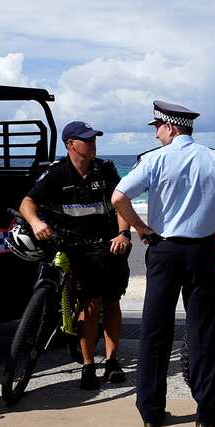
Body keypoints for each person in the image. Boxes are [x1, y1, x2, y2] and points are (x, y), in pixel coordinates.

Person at [110, 101, 215, 427]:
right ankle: (209, 410)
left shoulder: (154, 160)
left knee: (155, 330)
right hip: (203, 250)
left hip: (163, 250)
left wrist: (140, 228)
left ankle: (150, 409)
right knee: (203, 331)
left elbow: (118, 197)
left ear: (171, 127)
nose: (158, 133)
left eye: (158, 128)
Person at [19, 120, 132, 389]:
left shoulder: (105, 170)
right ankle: (88, 364)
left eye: (94, 139)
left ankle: (112, 361)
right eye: (87, 140)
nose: (93, 144)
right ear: (71, 144)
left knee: (111, 302)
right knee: (91, 305)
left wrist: (124, 234)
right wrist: (36, 223)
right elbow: (27, 202)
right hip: (73, 246)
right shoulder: (57, 173)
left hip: (107, 245)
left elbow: (121, 205)